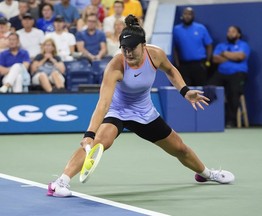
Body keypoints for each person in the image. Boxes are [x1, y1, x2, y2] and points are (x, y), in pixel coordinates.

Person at [47, 15, 235, 197]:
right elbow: (103, 103)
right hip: (117, 111)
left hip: (144, 112)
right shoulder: (115, 66)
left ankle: (206, 174)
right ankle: (59, 183)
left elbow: (170, 70)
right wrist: (89, 134)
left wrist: (185, 91)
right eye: (124, 48)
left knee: (180, 148)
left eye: (132, 48)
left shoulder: (155, 55)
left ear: (143, 45)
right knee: (99, 143)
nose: (127, 53)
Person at [208, 26, 250, 128]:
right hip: (221, 73)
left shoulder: (243, 45)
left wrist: (224, 54)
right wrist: (232, 57)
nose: (230, 33)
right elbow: (215, 59)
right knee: (209, 88)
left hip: (238, 73)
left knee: (233, 92)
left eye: (233, 31)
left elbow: (240, 57)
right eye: (228, 31)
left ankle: (230, 121)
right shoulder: (221, 45)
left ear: (238, 34)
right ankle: (210, 119)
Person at [173, 7, 213, 86]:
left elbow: (209, 45)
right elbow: (175, 48)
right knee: (186, 90)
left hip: (199, 64)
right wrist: (177, 65)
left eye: (189, 14)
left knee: (201, 89)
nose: (187, 16)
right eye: (185, 14)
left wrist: (207, 62)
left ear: (193, 16)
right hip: (184, 65)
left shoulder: (201, 28)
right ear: (182, 15)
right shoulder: (176, 29)